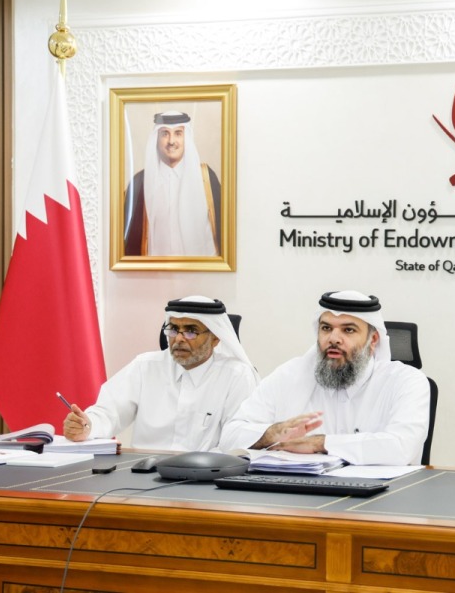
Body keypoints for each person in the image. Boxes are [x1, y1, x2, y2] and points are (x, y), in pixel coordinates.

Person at [222, 291, 429, 465]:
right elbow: (230, 436)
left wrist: (319, 443)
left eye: (348, 330)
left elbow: (402, 446)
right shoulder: (290, 375)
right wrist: (273, 433)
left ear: (373, 340)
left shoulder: (406, 382)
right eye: (326, 328)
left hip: (378, 503)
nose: (333, 338)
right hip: (300, 498)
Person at [63, 296, 257, 451]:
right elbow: (108, 412)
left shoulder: (237, 376)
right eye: (173, 329)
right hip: (143, 475)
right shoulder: (146, 366)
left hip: (206, 479)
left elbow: (236, 440)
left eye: (191, 331)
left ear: (215, 338)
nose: (179, 339)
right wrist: (87, 426)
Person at [122, 111, 222, 256]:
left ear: (186, 137)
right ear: (156, 138)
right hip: (153, 275)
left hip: (200, 274)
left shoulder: (206, 178)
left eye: (178, 133)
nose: (171, 141)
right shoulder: (139, 183)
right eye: (165, 134)